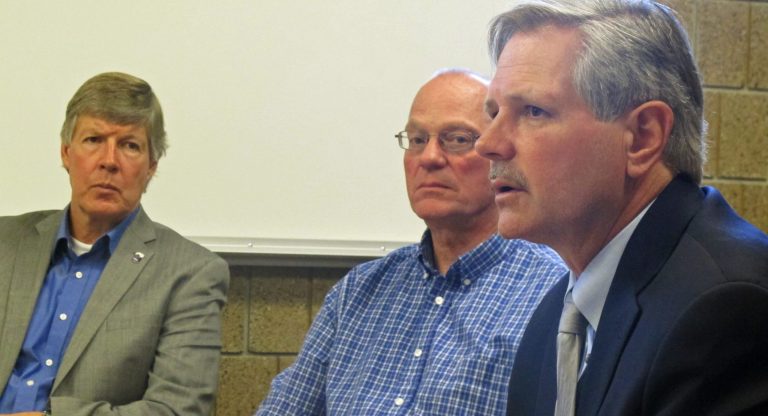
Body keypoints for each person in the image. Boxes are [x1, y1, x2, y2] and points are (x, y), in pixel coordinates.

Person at [474, 1, 768, 415]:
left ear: (643, 137)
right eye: (494, 113)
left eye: (533, 111)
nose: (487, 143)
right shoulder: (552, 319)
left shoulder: (727, 311)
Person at [255, 69, 566, 415]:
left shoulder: (551, 294)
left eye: (457, 139)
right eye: (417, 140)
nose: (429, 157)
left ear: (498, 154)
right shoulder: (358, 293)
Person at [0, 72, 230, 416]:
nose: (109, 160)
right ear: (66, 153)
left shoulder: (189, 274)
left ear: (151, 167)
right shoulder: (7, 244)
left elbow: (176, 410)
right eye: (94, 140)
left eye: (129, 145)